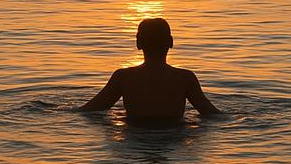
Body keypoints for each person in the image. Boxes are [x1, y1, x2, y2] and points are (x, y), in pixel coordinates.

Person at [79, 18, 222, 122]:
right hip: (173, 134)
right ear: (171, 42)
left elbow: (90, 110)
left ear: (138, 43)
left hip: (135, 135)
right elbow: (211, 114)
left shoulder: (123, 77)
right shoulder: (185, 78)